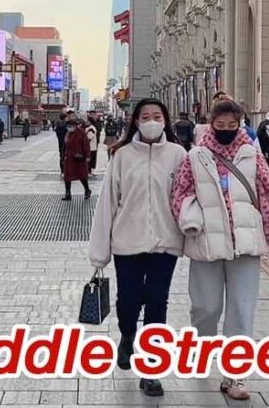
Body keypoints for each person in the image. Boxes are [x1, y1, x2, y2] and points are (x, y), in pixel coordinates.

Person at [170, 99, 269, 401]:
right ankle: (203, 346)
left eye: (231, 125)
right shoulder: (195, 157)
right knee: (206, 308)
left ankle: (235, 374)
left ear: (240, 124)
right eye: (220, 125)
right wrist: (190, 218)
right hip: (206, 243)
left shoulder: (252, 155)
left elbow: (268, 195)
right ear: (211, 124)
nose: (225, 130)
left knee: (241, 310)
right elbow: (180, 194)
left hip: (245, 245)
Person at [88, 99, 186, 397]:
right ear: (136, 121)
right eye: (146, 116)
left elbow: (187, 198)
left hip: (165, 244)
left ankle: (152, 369)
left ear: (165, 120)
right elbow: (108, 204)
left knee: (158, 302)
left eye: (157, 116)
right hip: (127, 244)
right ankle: (128, 335)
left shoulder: (178, 155)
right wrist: (99, 252)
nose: (152, 121)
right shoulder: (122, 155)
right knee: (128, 302)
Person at [62, 117, 92, 200]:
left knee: (81, 175)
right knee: (67, 176)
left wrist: (88, 156)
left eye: (71, 126)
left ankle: (87, 190)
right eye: (68, 126)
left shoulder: (81, 133)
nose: (69, 128)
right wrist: (62, 156)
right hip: (69, 157)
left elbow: (86, 145)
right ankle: (68, 194)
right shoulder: (68, 133)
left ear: (75, 126)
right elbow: (64, 145)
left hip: (79, 158)